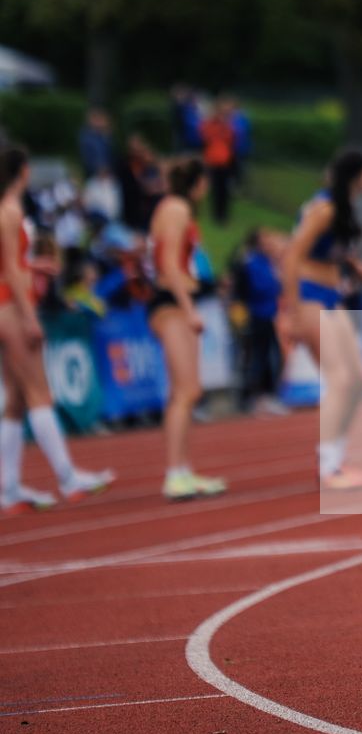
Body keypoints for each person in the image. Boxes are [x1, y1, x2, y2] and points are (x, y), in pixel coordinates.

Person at [0, 146, 115, 512]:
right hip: (10, 307)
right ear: (23, 171)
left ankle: (8, 486)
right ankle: (67, 476)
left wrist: (33, 267)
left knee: (16, 400)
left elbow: (10, 264)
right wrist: (29, 315)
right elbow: (10, 269)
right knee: (39, 392)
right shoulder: (10, 210)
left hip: (4, 305)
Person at [279, 149, 362, 490]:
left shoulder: (341, 207)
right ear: (359, 174)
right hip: (310, 296)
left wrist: (351, 265)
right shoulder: (325, 208)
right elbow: (292, 255)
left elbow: (326, 249)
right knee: (340, 379)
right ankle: (328, 465)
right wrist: (291, 311)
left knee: (359, 379)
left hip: (332, 296)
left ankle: (335, 454)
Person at [145, 158, 227, 500]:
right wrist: (189, 308)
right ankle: (174, 473)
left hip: (174, 301)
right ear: (197, 183)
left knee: (187, 391)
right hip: (172, 304)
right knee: (185, 391)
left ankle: (182, 470)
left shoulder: (174, 208)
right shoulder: (176, 208)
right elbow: (168, 264)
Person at [235, 228, 287, 414]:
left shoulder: (267, 261)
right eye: (266, 240)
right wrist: (278, 282)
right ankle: (254, 397)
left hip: (271, 315)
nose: (269, 243)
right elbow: (262, 287)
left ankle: (267, 394)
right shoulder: (252, 262)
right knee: (258, 357)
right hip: (257, 316)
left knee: (272, 355)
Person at [200, 98, 237, 226]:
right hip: (213, 161)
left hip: (226, 161)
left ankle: (224, 215)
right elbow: (205, 135)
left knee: (225, 189)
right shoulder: (210, 124)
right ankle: (217, 215)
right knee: (216, 189)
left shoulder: (229, 125)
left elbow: (232, 138)